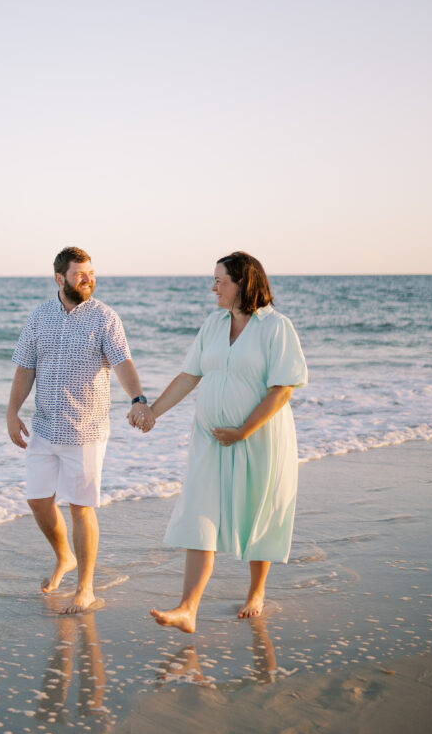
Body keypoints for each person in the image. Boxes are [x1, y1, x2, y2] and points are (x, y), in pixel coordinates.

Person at [130, 251, 307, 633]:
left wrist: (243, 430)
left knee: (257, 512)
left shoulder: (276, 328)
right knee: (199, 512)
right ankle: (187, 609)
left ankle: (256, 592)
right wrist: (153, 412)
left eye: (219, 280)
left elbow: (282, 390)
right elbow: (188, 376)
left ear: (242, 282)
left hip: (259, 438)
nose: (213, 287)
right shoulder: (212, 325)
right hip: (210, 439)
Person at [8, 246, 147, 614]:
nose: (88, 279)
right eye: (79, 274)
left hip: (85, 430)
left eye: (91, 273)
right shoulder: (39, 317)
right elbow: (25, 368)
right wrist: (12, 412)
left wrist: (138, 400)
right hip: (44, 428)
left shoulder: (105, 318)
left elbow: (123, 363)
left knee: (81, 509)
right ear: (60, 278)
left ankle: (85, 587)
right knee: (38, 501)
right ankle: (64, 557)